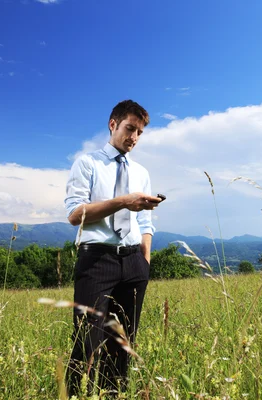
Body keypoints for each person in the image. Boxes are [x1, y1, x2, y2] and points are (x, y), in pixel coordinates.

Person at [64, 100, 162, 396]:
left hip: (133, 263)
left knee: (122, 344)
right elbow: (74, 215)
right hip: (97, 261)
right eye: (129, 128)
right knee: (86, 342)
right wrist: (122, 202)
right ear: (113, 124)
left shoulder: (141, 172)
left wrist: (144, 260)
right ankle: (72, 394)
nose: (133, 137)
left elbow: (145, 221)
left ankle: (112, 395)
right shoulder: (88, 163)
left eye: (140, 132)